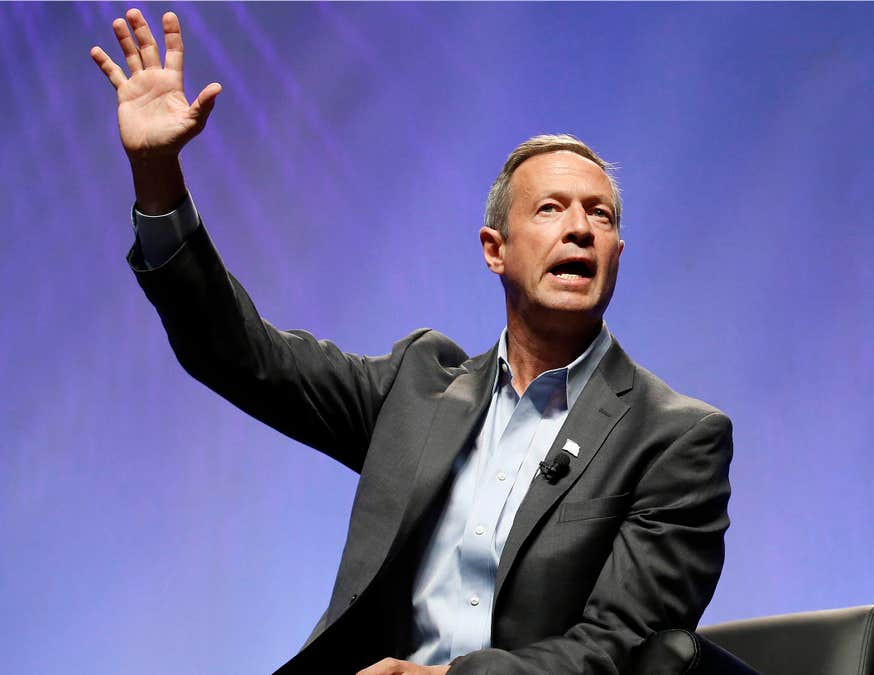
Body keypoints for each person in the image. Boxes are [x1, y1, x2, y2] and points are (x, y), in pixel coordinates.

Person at [91, 9, 733, 675]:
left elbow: (620, 647)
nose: (580, 230)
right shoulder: (419, 385)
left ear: (618, 253)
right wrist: (158, 177)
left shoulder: (674, 438)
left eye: (599, 215)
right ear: (495, 250)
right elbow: (241, 355)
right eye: (550, 209)